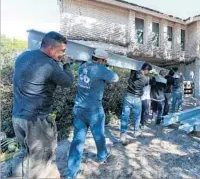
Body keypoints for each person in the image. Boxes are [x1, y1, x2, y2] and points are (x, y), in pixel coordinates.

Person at [11, 31, 74, 178]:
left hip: (18, 117)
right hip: (36, 121)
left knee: (24, 152)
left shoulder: (23, 56)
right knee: (40, 158)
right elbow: (68, 82)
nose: (63, 53)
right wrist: (66, 64)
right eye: (62, 51)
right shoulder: (50, 65)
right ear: (51, 49)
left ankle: (18, 175)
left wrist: (57, 60)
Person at [65, 48, 119, 178]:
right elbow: (115, 78)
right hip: (93, 111)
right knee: (99, 135)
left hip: (78, 109)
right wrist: (106, 68)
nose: (105, 62)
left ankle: (71, 173)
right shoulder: (101, 69)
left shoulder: (83, 66)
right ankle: (101, 156)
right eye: (104, 61)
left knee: (77, 140)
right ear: (101, 60)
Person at [120, 63, 153, 144]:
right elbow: (150, 82)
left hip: (128, 97)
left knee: (125, 116)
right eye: (148, 71)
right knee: (137, 116)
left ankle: (123, 134)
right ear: (146, 70)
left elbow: (133, 69)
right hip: (137, 99)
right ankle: (136, 132)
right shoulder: (146, 79)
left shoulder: (133, 73)